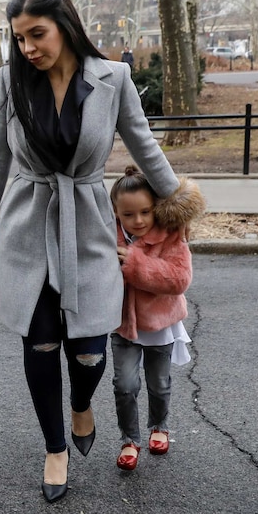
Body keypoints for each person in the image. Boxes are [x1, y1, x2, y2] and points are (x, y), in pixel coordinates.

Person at [0, 0, 202, 503]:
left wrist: (175, 204)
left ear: (64, 25)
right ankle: (54, 447)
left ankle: (81, 405)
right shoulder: (10, 81)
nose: (28, 49)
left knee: (89, 350)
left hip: (88, 222)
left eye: (36, 35)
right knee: (40, 341)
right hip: (26, 224)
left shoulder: (114, 78)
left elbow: (144, 145)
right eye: (19, 39)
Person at [110, 165, 203, 471]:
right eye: (128, 214)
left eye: (145, 212)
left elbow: (179, 280)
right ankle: (129, 440)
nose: (138, 221)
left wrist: (135, 263)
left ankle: (159, 426)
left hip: (161, 325)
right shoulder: (107, 234)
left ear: (156, 208)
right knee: (125, 385)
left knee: (159, 384)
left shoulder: (171, 234)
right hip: (122, 325)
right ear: (115, 212)